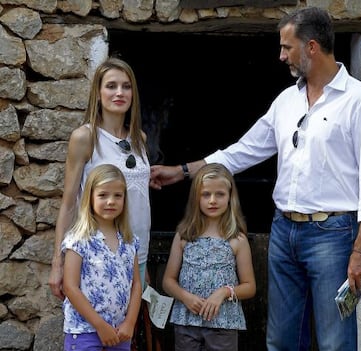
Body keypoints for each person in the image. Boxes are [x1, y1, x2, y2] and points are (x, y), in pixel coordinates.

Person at [150, 7, 361, 351]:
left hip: (334, 236)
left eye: (286, 47)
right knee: (280, 340)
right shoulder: (286, 100)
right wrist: (184, 171)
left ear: (311, 47)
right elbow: (243, 151)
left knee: (334, 342)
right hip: (284, 232)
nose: (281, 56)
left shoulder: (359, 101)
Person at [49, 57, 151, 300]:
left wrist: (142, 266)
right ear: (97, 92)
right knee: (98, 332)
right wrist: (58, 262)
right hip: (97, 252)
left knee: (129, 334)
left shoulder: (140, 139)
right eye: (111, 86)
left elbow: (138, 197)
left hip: (138, 251)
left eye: (126, 86)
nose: (119, 92)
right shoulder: (85, 137)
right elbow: (69, 203)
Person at [162, 163, 256, 351]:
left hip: (223, 323)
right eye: (205, 194)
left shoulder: (236, 239)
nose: (212, 200)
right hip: (186, 320)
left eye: (220, 194)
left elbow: (249, 287)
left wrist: (223, 292)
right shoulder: (184, 235)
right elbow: (168, 281)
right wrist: (185, 297)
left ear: (230, 197)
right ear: (196, 198)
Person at [62, 164, 141, 350]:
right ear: (89, 197)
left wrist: (130, 323)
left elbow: (137, 284)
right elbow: (70, 286)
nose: (111, 201)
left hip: (120, 332)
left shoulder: (130, 241)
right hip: (85, 331)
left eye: (117, 196)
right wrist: (100, 325)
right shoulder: (78, 239)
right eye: (103, 195)